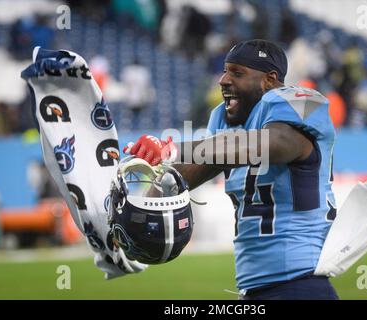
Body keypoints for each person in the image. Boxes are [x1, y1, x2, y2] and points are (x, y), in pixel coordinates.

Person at [126, 39, 338, 300]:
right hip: (254, 286)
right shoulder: (226, 119)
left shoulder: (298, 104)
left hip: (301, 282)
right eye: (225, 70)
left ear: (270, 80)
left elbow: (269, 145)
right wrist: (130, 210)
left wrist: (172, 149)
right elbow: (180, 178)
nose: (224, 80)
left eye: (237, 73)